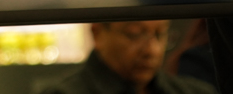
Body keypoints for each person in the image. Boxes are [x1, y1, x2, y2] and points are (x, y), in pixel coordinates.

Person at [44, 22, 215, 94]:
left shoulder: (196, 92)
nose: (152, 50)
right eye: (135, 34)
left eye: (160, 34)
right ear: (97, 34)